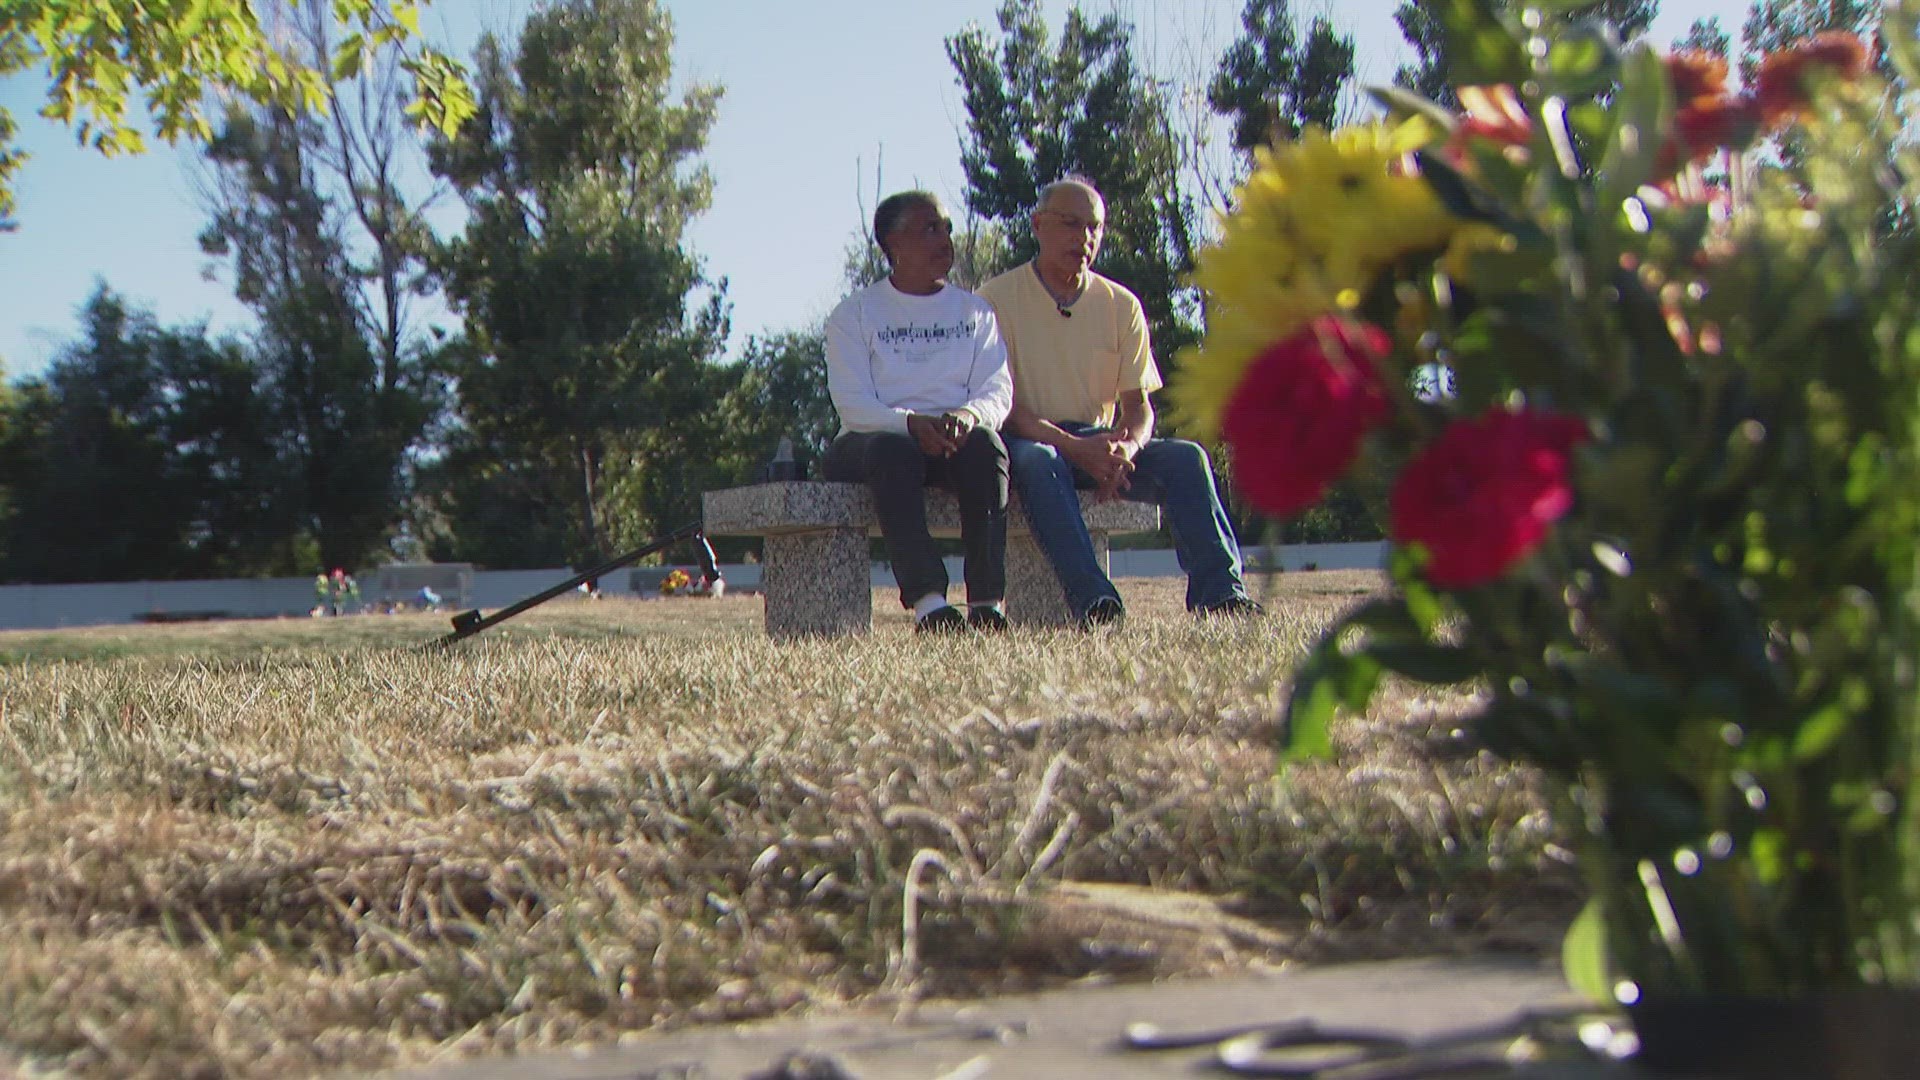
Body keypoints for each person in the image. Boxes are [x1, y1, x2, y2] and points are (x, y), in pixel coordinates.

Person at [979, 177, 1258, 627]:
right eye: (1071, 224)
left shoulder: (1120, 304)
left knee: (1186, 458)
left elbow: (1139, 406)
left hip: (1101, 444)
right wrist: (1075, 447)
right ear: (1037, 225)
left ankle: (1222, 595)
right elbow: (999, 406)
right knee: (1038, 462)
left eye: (1095, 228)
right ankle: (1095, 601)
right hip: (1030, 441)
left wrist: (1126, 450)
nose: (1084, 238)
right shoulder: (993, 300)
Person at [822, 190, 1015, 634]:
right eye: (930, 228)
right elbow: (852, 404)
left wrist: (967, 418)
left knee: (988, 445)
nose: (944, 240)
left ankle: (987, 602)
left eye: (947, 228)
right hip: (873, 443)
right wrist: (909, 424)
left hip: (955, 439)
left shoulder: (976, 311)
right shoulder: (854, 314)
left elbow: (997, 390)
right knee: (893, 451)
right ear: (893, 242)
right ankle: (930, 605)